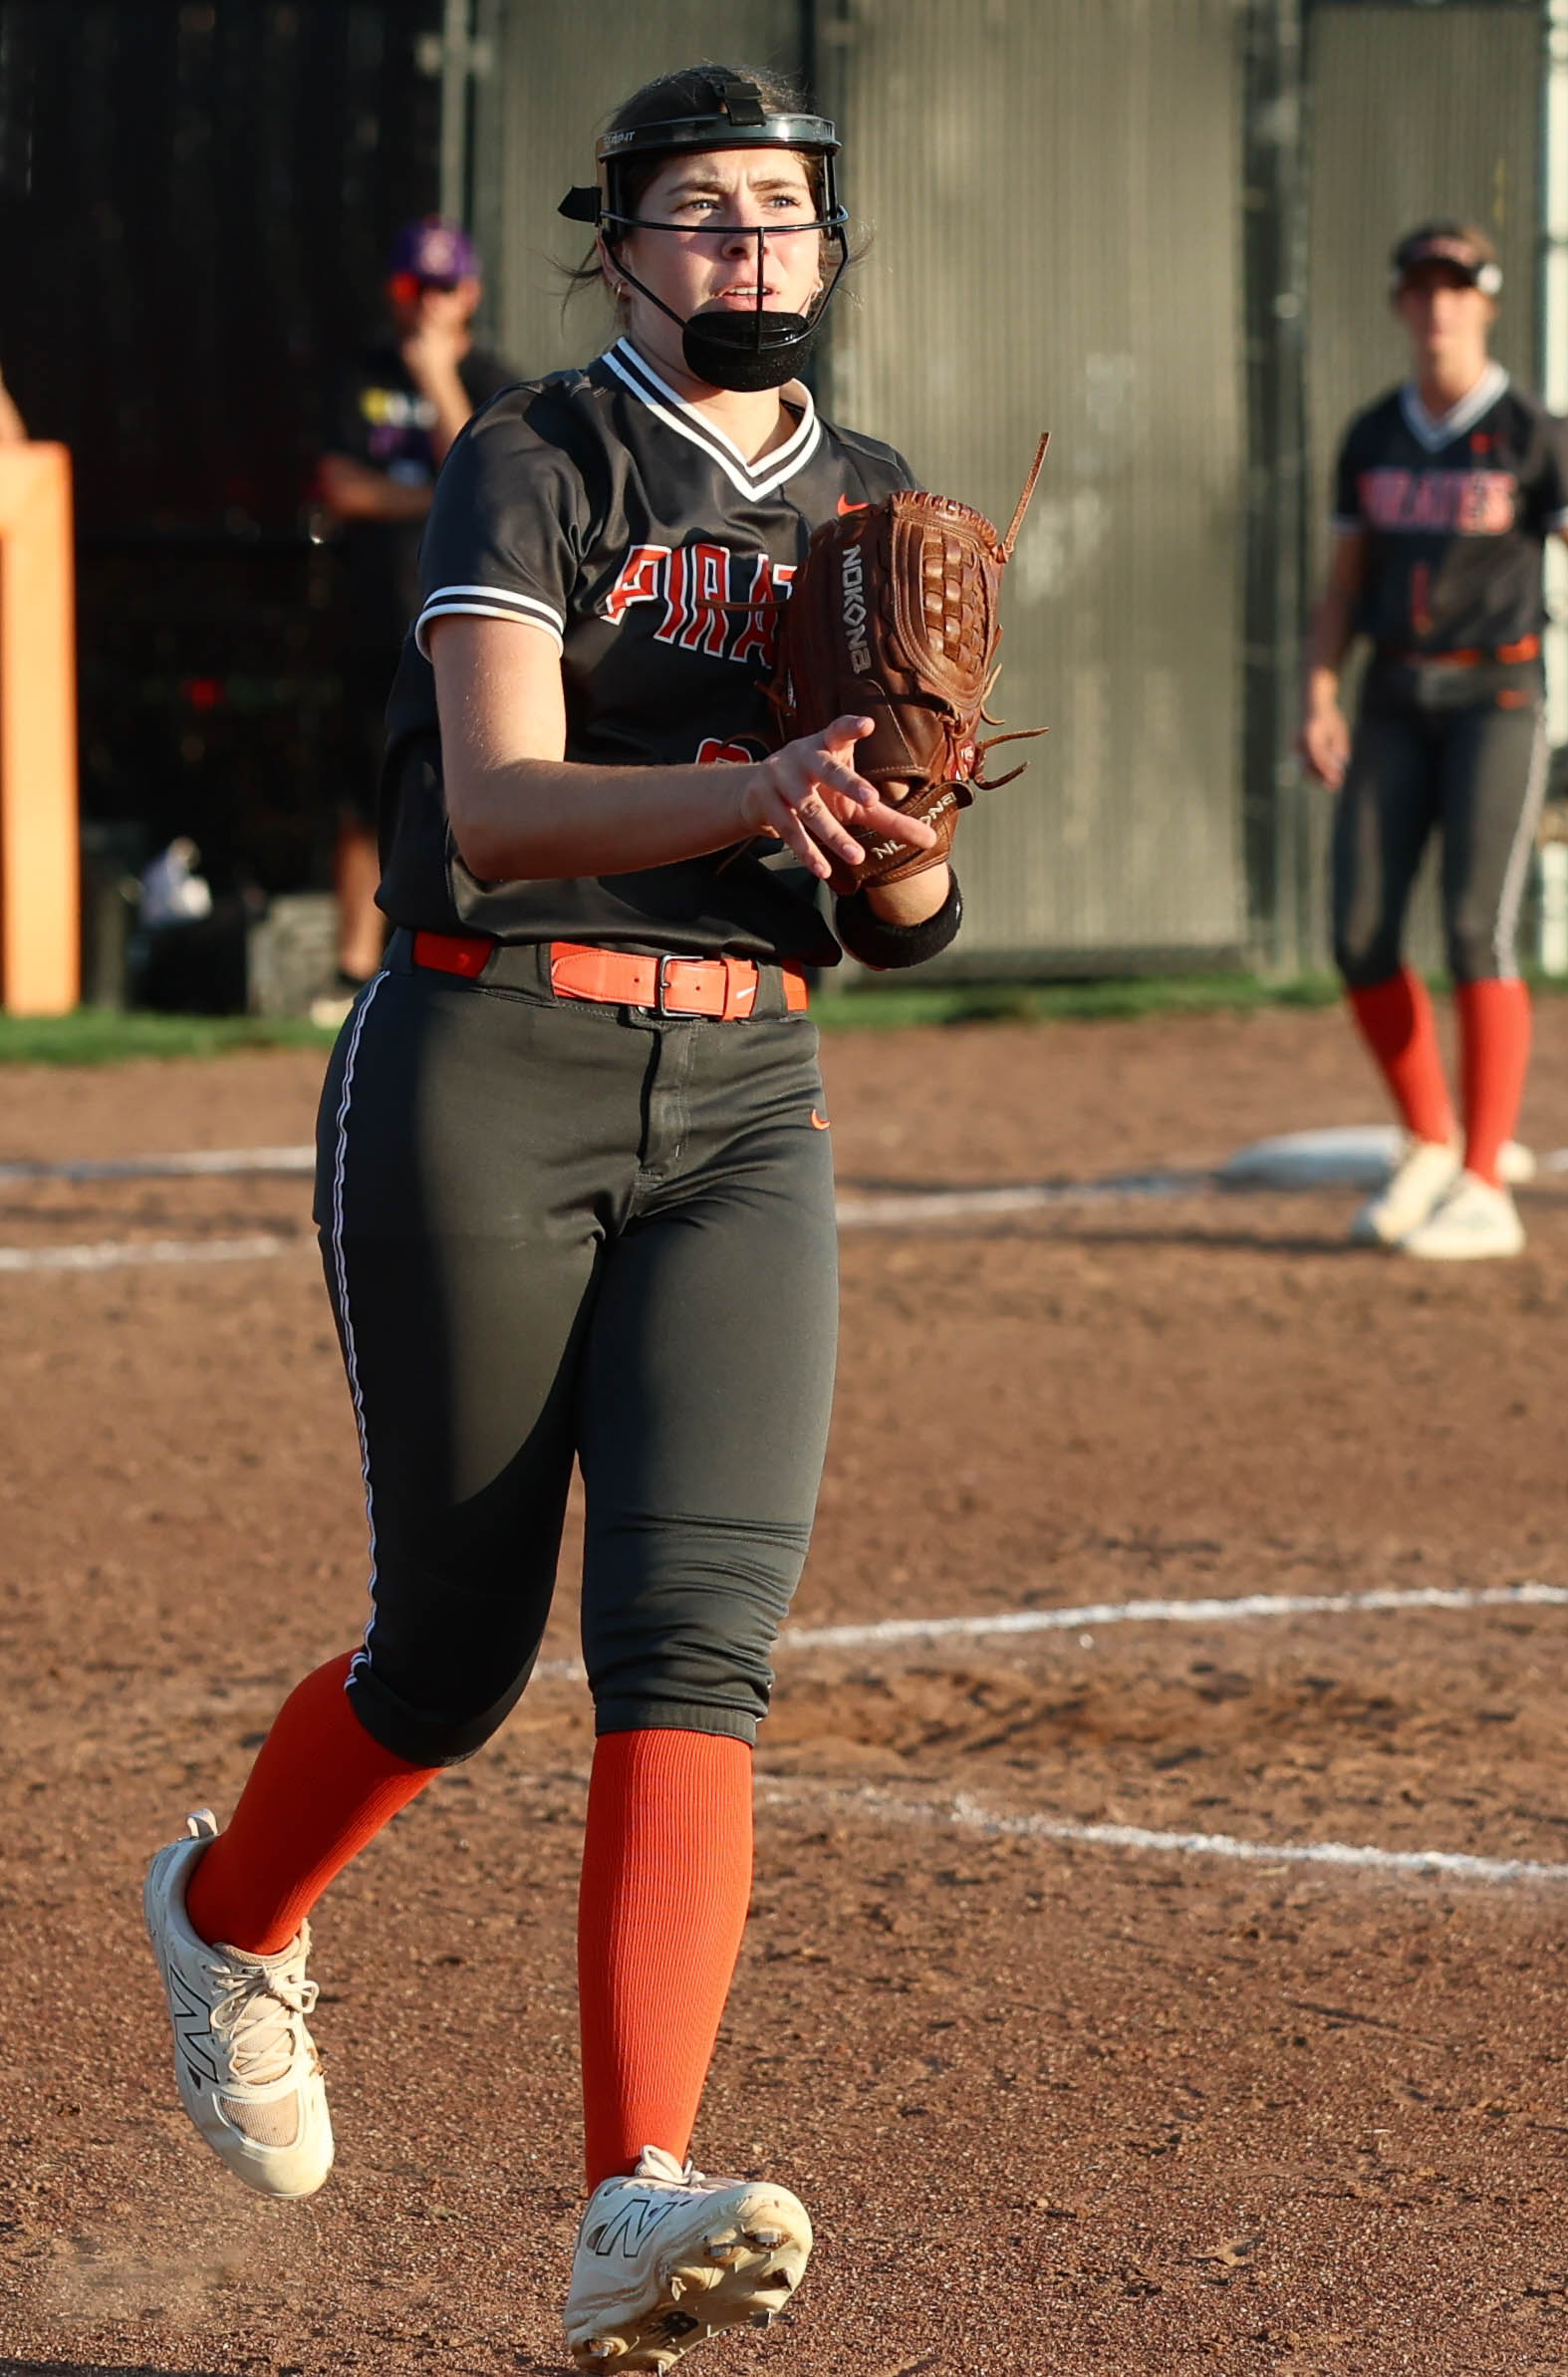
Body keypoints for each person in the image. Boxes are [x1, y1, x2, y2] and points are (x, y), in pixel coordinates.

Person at [143, 64, 962, 2373]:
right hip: (489, 1053)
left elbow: (905, 916)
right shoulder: (539, 454)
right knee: (453, 1650)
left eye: (785, 209)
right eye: (703, 210)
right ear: (618, 242)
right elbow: (500, 802)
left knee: (695, 1637)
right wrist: (760, 779)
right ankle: (230, 1913)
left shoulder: (878, 500)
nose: (751, 248)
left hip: (751, 1098)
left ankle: (633, 2193)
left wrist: (903, 827)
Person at [1299, 221, 1568, 1261]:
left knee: (1474, 929)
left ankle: (1487, 1182)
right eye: (1422, 287)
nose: (1438, 306)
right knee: (1359, 932)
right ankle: (1431, 1140)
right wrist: (1320, 692)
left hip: (1499, 699)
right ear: (1400, 303)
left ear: (1486, 303)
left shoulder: (1534, 432)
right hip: (1395, 697)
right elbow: (1344, 588)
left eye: (1457, 287)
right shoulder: (1374, 435)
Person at [313, 218, 516, 1009]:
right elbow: (341, 487)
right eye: (412, 286)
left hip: (468, 626)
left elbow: (487, 481)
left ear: (470, 294)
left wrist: (437, 380)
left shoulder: (495, 379)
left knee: (473, 788)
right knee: (364, 794)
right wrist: (434, 499)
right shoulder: (359, 374)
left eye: (442, 287)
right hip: (374, 617)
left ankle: (473, 960)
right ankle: (351, 968)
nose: (427, 303)